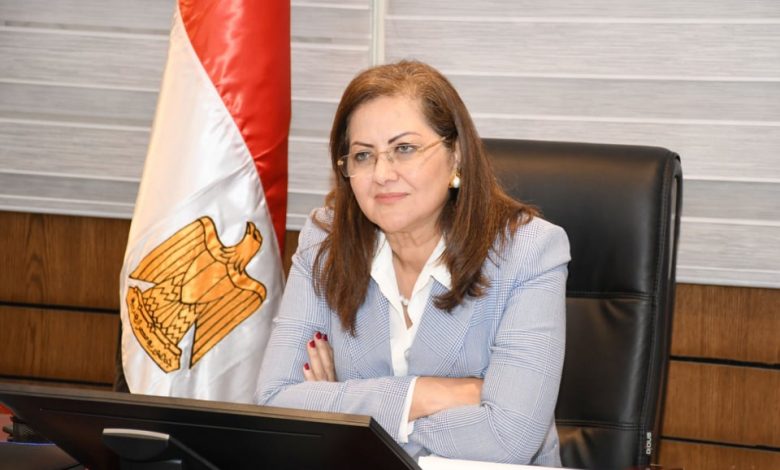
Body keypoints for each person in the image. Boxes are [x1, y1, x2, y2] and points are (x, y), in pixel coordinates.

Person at [256, 60, 570, 466]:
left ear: (456, 155)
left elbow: (509, 438)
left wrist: (341, 413)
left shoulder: (528, 251)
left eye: (404, 149)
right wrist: (425, 394)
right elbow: (276, 403)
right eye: (363, 155)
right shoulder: (326, 241)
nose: (382, 174)